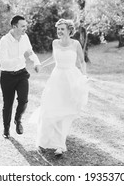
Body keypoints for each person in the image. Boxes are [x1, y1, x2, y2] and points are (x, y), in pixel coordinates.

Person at [31, 18, 89, 156]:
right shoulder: (55, 43)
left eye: (62, 29)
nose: (59, 31)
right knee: (49, 107)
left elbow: (82, 61)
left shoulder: (75, 44)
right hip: (56, 78)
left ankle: (59, 145)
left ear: (69, 31)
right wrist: (41, 65)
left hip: (71, 79)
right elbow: (53, 58)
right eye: (58, 29)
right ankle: (45, 140)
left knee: (64, 111)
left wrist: (84, 77)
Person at [0, 15, 41, 139]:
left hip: (22, 73)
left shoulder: (25, 37)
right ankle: (6, 129)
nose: (25, 29)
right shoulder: (4, 40)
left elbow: (30, 51)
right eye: (23, 26)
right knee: (8, 104)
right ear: (14, 26)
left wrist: (36, 62)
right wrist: (23, 56)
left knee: (23, 100)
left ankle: (18, 119)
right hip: (7, 76)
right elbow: (4, 62)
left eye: (26, 26)